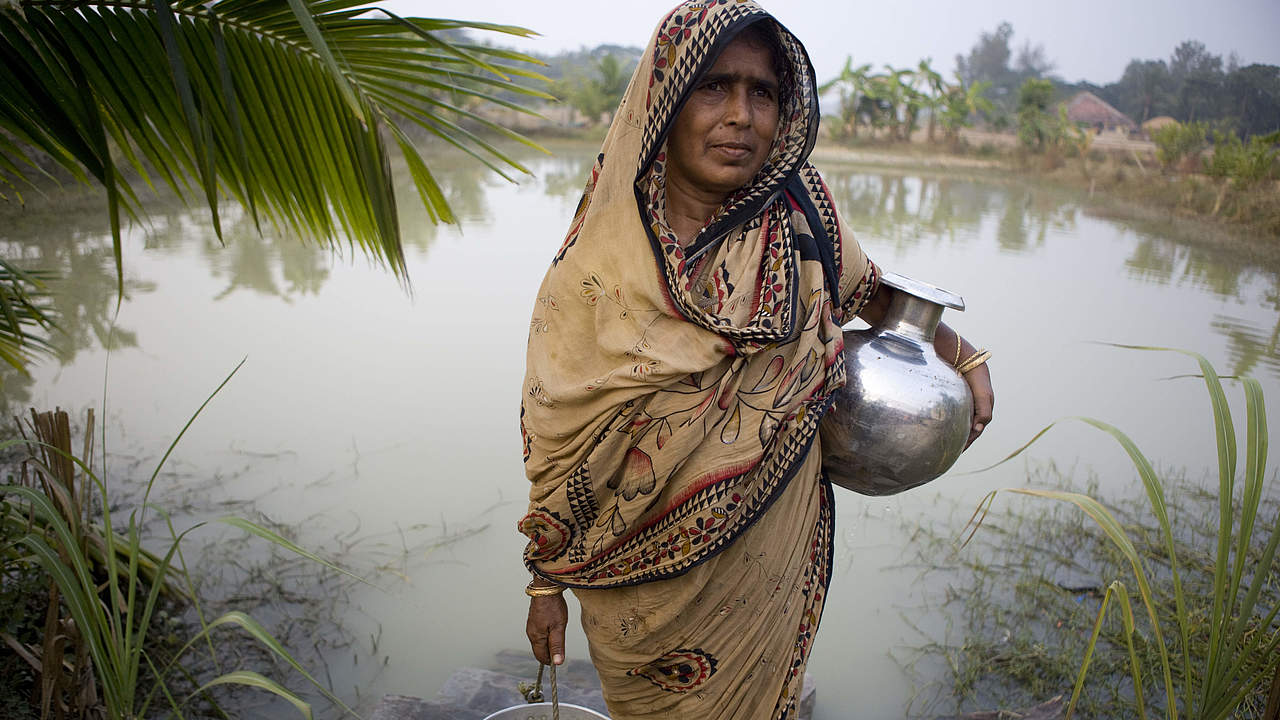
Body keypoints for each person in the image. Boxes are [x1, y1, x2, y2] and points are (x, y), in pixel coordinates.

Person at [517, 2, 994, 718]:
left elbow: (871, 292)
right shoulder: (597, 266)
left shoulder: (802, 220)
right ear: (665, 101)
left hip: (765, 566)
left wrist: (965, 356)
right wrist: (544, 585)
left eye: (761, 92)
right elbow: (554, 436)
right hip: (630, 595)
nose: (741, 115)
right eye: (714, 86)